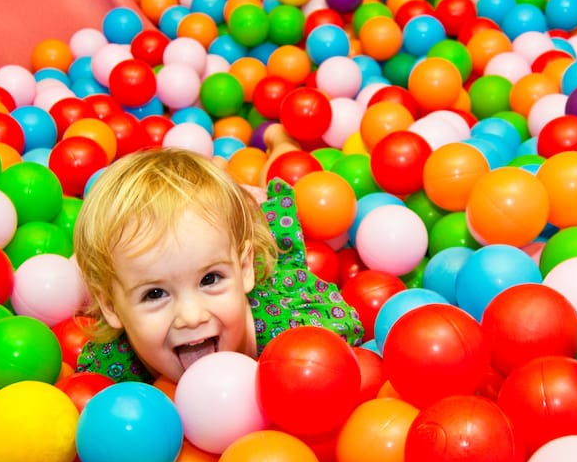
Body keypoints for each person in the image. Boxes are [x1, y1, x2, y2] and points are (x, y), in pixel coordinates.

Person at [72, 132, 364, 384]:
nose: (191, 316)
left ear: (244, 268)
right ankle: (221, 172)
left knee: (277, 183)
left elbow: (346, 327)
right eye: (155, 294)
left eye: (210, 279)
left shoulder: (292, 332)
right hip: (217, 240)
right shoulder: (113, 367)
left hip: (264, 244)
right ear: (111, 306)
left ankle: (280, 140)